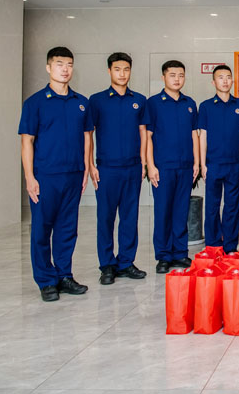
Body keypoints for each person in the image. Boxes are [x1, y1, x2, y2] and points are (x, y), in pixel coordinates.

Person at [19, 46, 93, 301]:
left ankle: (64, 276)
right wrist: (29, 177)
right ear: (48, 67)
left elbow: (87, 137)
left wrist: (86, 168)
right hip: (45, 176)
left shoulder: (81, 103)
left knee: (67, 228)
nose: (65, 69)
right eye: (60, 64)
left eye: (69, 64)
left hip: (73, 175)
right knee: (42, 229)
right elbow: (27, 141)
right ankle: (46, 281)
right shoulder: (35, 103)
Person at [88, 52, 149, 286]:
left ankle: (126, 262)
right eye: (117, 69)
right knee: (105, 218)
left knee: (129, 217)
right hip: (106, 169)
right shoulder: (97, 100)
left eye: (126, 69)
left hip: (132, 168)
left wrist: (143, 163)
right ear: (109, 71)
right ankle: (107, 265)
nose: (122, 74)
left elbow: (143, 133)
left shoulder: (139, 100)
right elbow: (88, 134)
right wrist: (91, 165)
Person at [146, 60, 200, 274]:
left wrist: (196, 162)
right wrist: (150, 165)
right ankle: (163, 255)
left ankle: (180, 253)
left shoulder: (189, 103)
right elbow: (148, 137)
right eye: (172, 75)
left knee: (181, 211)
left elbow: (194, 135)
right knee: (163, 212)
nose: (177, 79)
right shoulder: (153, 103)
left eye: (181, 75)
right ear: (163, 77)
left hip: (185, 166)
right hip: (163, 167)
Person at [198, 64, 239, 253]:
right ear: (213, 82)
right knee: (212, 206)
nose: (225, 81)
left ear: (232, 80)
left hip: (234, 164)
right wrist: (202, 164)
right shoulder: (206, 106)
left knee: (232, 206)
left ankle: (230, 245)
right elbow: (202, 136)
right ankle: (212, 245)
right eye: (221, 77)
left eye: (228, 77)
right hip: (213, 164)